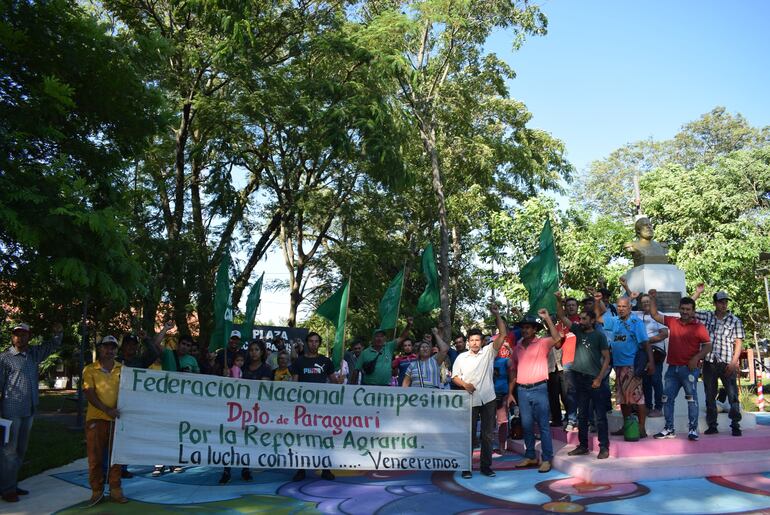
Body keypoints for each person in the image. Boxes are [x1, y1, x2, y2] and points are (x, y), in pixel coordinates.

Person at [0, 322, 63, 503]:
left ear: (29, 336)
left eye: (24, 334)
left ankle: (11, 482)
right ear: (12, 337)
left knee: (21, 449)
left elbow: (51, 345)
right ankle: (7, 489)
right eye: (17, 334)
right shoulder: (4, 358)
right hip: (10, 410)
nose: (20, 337)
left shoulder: (33, 354)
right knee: (8, 451)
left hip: (29, 409)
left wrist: (58, 333)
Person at [452, 302, 507, 479]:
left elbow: (503, 334)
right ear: (468, 342)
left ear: (482, 341)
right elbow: (454, 377)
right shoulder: (461, 357)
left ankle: (486, 467)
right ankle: (466, 467)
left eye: (478, 340)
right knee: (468, 436)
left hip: (488, 399)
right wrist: (464, 385)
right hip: (469, 400)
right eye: (472, 340)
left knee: (487, 435)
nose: (475, 343)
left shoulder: (489, 352)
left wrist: (497, 315)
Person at [649, 291, 712, 441]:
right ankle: (669, 429)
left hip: (689, 370)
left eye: (688, 309)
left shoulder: (699, 327)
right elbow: (654, 315)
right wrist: (652, 298)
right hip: (672, 369)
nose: (685, 312)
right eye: (683, 309)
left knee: (691, 399)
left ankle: (693, 430)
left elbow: (708, 346)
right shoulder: (673, 322)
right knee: (667, 398)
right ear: (679, 309)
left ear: (693, 311)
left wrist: (696, 358)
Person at [556, 297, 612, 459]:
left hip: (594, 380)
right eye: (580, 318)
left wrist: (599, 379)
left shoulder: (599, 336)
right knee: (582, 416)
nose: (580, 321)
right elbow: (561, 316)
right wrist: (559, 301)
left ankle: (604, 447)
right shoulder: (577, 330)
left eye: (584, 319)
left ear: (592, 320)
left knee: (600, 416)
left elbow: (607, 358)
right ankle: (583, 446)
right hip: (579, 378)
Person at [509, 309, 562, 473]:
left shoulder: (542, 343)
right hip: (522, 390)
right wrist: (511, 393)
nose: (525, 330)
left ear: (535, 330)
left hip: (539, 388)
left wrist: (547, 318)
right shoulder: (517, 348)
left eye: (528, 327)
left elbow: (557, 339)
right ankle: (530, 455)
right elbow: (513, 370)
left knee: (543, 425)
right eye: (523, 327)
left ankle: (547, 458)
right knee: (526, 425)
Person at [691, 285, 745, 436]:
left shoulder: (735, 320)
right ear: (715, 303)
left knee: (732, 395)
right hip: (709, 361)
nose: (723, 304)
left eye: (725, 302)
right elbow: (689, 310)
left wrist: (734, 363)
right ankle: (712, 425)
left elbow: (739, 343)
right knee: (710, 395)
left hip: (727, 362)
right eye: (720, 302)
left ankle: (735, 424)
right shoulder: (708, 316)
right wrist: (697, 293)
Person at [598, 296, 654, 438]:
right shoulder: (615, 321)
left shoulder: (636, 322)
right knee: (623, 399)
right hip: (618, 366)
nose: (621, 309)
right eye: (619, 306)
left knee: (637, 398)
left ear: (630, 308)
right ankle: (627, 425)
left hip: (632, 366)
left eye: (624, 306)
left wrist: (651, 362)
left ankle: (641, 428)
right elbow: (597, 318)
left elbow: (646, 343)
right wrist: (597, 300)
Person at [291, 332, 343, 481]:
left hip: (322, 408)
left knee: (323, 437)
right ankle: (300, 469)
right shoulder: (299, 362)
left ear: (319, 344)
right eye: (311, 341)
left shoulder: (326, 361)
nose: (314, 344)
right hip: (303, 408)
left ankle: (326, 468)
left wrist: (339, 380)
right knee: (302, 438)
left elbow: (333, 382)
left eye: (316, 341)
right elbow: (294, 383)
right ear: (307, 343)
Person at [82, 336, 127, 505]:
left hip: (117, 419)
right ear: (100, 349)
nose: (110, 350)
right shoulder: (89, 369)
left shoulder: (122, 369)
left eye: (113, 347)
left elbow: (128, 391)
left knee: (116, 457)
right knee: (95, 458)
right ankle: (97, 490)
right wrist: (106, 409)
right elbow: (89, 393)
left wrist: (118, 407)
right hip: (96, 419)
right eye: (106, 347)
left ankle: (115, 489)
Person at [352, 319, 413, 386]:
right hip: (368, 387)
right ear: (373, 338)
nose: (379, 338)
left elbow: (402, 337)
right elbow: (356, 370)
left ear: (385, 338)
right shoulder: (365, 353)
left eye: (382, 336)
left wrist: (409, 325)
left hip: (385, 388)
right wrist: (352, 388)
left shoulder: (389, 347)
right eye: (377, 336)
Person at [636, 293, 669, 417]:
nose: (645, 304)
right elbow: (626, 306)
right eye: (643, 302)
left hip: (655, 352)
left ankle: (659, 408)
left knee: (655, 380)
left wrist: (646, 340)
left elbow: (664, 334)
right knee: (645, 381)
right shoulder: (638, 315)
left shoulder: (659, 316)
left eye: (648, 302)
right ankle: (648, 407)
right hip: (642, 352)